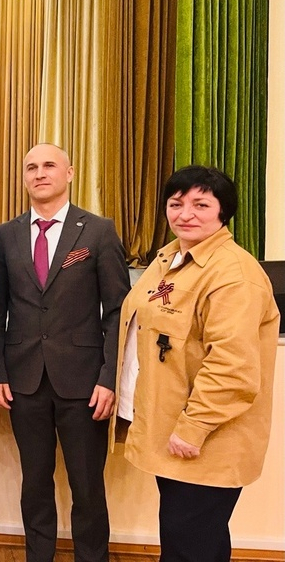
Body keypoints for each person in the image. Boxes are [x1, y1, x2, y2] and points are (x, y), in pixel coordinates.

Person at [116, 166, 280, 562]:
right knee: (181, 537)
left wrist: (194, 427)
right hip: (169, 427)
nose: (185, 213)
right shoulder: (169, 258)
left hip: (205, 438)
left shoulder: (233, 273)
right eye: (176, 203)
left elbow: (232, 366)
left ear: (224, 212)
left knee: (192, 542)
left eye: (200, 204)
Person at [0, 143, 130, 562]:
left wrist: (109, 377)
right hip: (23, 380)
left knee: (87, 487)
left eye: (49, 165)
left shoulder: (98, 230)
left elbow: (118, 311)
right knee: (34, 484)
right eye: (31, 166)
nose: (39, 173)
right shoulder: (6, 234)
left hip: (84, 382)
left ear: (69, 172)